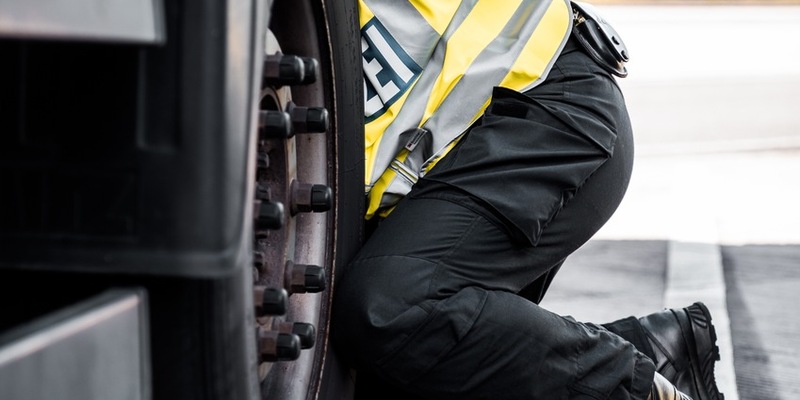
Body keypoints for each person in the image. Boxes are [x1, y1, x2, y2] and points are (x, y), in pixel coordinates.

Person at [332, 1, 724, 399]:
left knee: (390, 307)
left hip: (545, 105)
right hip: (478, 128)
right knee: (404, 363)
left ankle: (643, 390)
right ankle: (658, 351)